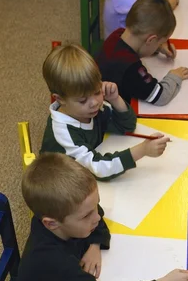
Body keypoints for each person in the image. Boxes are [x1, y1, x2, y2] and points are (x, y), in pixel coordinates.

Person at [16, 153, 188, 281]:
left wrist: (94, 244)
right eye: (87, 215)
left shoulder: (68, 218)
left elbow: (96, 215)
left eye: (96, 206)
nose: (98, 217)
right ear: (52, 223)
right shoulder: (49, 261)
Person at [41, 43, 170, 180]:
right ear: (60, 100)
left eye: (97, 92)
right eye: (83, 100)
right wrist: (142, 150)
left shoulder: (93, 109)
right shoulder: (63, 133)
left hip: (87, 170)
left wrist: (115, 99)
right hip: (62, 182)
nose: (95, 102)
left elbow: (127, 126)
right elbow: (99, 169)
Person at [98, 0, 188, 106]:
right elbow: (161, 96)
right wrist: (174, 76)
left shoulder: (117, 34)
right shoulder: (132, 68)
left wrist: (158, 48)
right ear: (150, 40)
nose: (162, 44)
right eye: (160, 42)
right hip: (111, 114)